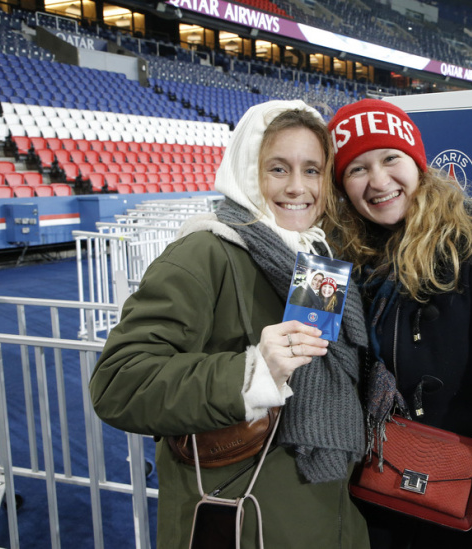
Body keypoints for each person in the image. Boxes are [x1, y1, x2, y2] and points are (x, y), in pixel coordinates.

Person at [89, 100, 370, 549]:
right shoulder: (203, 251)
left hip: (328, 515)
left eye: (312, 170)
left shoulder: (317, 256)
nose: (298, 188)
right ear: (245, 168)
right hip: (245, 521)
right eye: (278, 169)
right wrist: (251, 373)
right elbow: (119, 383)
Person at [324, 99, 472, 548]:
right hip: (370, 498)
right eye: (357, 169)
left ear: (418, 163)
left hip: (460, 509)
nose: (379, 181)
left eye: (390, 158)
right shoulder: (337, 254)